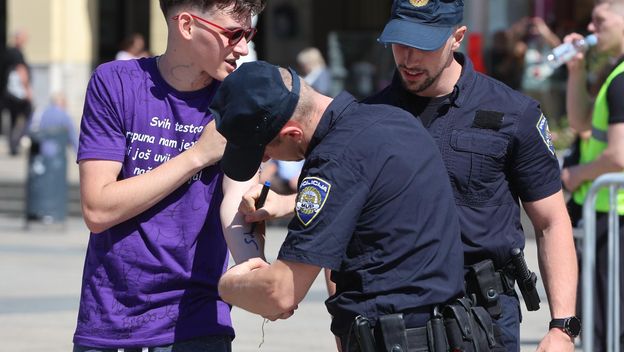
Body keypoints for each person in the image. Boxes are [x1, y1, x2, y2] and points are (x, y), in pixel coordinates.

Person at [362, 1, 578, 351]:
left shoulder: (513, 113)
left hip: (483, 317)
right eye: (400, 42)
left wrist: (562, 327)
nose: (408, 57)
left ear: (456, 37)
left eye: (423, 44)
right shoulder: (368, 118)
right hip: (393, 318)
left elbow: (552, 221)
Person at [213, 61, 469, 351]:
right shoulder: (392, 120)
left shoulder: (333, 161)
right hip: (448, 331)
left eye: (265, 150)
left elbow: (280, 293)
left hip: (401, 339)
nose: (265, 161)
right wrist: (288, 203)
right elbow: (378, 206)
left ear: (293, 134)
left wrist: (227, 286)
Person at [72, 1, 266, 351]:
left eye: (248, 33)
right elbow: (98, 209)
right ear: (187, 26)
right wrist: (197, 156)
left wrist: (257, 269)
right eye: (234, 34)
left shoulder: (240, 100)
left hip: (198, 323)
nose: (244, 47)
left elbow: (236, 204)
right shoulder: (115, 83)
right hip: (110, 322)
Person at [561, 1, 624, 350]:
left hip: (614, 218)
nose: (591, 30)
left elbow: (619, 155)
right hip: (607, 215)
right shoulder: (615, 73)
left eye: (600, 21)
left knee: (605, 327)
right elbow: (581, 123)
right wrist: (576, 70)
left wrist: (577, 174)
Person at [2, 30, 33, 156]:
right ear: (18, 38)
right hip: (17, 94)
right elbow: (21, 71)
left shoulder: (8, 52)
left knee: (13, 119)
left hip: (8, 94)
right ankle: (16, 142)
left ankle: (13, 145)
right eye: (24, 38)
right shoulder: (16, 53)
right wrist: (28, 91)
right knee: (27, 113)